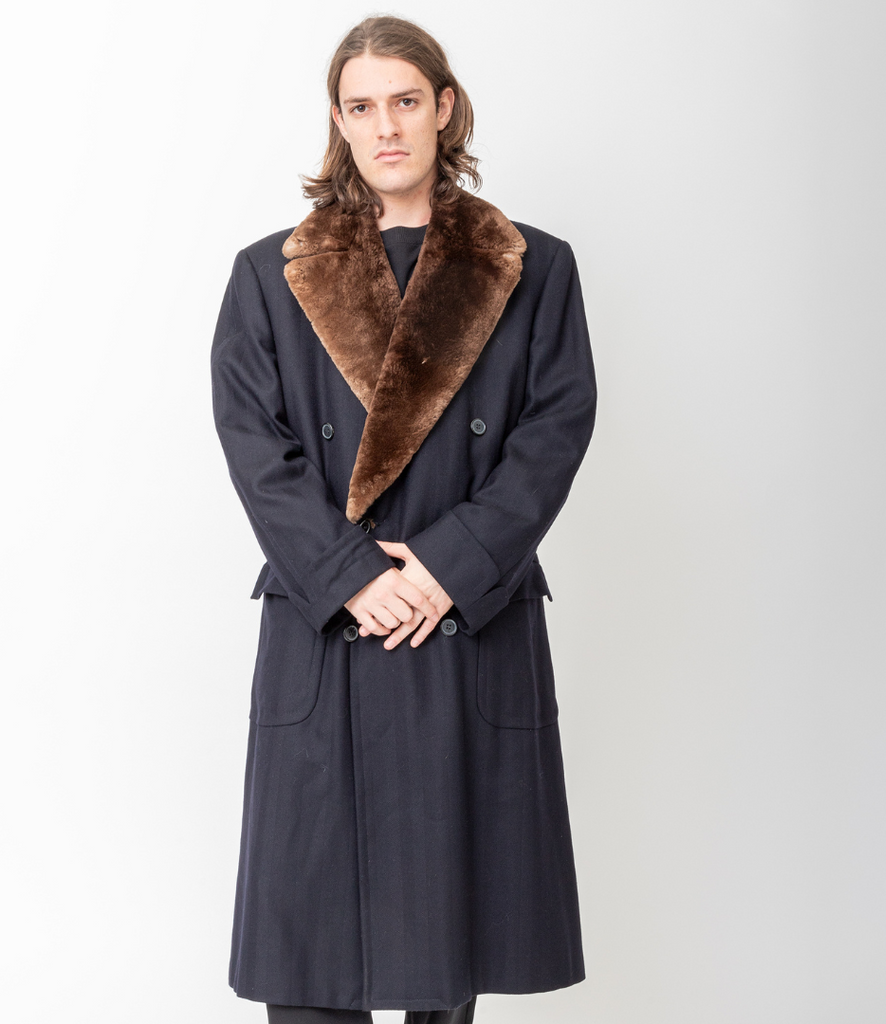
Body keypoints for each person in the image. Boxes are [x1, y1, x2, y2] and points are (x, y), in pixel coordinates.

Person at [210, 15, 597, 1024]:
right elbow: (254, 447)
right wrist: (352, 576)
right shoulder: (271, 273)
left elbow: (554, 429)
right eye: (361, 106)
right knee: (309, 968)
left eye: (405, 101)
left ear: (444, 108)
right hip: (329, 628)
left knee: (447, 959)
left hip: (463, 618)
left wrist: (445, 566)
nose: (385, 126)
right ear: (339, 122)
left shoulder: (532, 267)